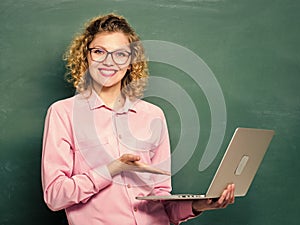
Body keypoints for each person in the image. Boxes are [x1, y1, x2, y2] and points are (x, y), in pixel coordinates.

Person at [41, 13, 235, 225]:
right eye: (99, 51)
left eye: (120, 54)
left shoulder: (153, 115)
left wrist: (200, 205)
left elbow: (162, 201)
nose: (109, 62)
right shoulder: (63, 113)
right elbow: (55, 195)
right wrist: (112, 169)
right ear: (85, 56)